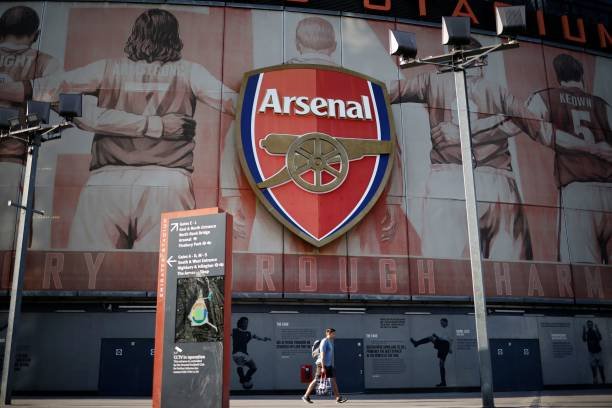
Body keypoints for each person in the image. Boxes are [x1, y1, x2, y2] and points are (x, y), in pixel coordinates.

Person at [0, 8, 234, 251]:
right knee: (167, 270)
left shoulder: (106, 69)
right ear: (174, 37)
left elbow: (46, 89)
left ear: (135, 35)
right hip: (170, 181)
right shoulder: (191, 72)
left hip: (106, 181)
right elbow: (236, 103)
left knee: (87, 267)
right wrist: (157, 125)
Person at [391, 37, 552, 261]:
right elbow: (542, 130)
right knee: (514, 271)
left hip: (447, 180)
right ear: (481, 61)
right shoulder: (497, 91)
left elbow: (386, 91)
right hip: (497, 181)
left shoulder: (431, 81)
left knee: (442, 267)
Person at [526, 53, 612, 264]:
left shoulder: (546, 97)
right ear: (582, 75)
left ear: (558, 77)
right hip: (609, 189)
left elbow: (527, 121)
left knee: (582, 270)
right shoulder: (602, 105)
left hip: (578, 191)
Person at [0, 5, 60, 250]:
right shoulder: (46, 62)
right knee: (10, 239)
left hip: (14, 161)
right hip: (13, 160)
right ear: (36, 34)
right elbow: (52, 94)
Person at [302, 328, 347, 404]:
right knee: (316, 380)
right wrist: (323, 367)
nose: (334, 335)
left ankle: (338, 398)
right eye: (333, 334)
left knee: (333, 381)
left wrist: (329, 365)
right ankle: (306, 396)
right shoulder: (324, 341)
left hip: (328, 365)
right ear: (329, 333)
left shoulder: (329, 342)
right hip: (322, 364)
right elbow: (322, 355)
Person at [410, 318, 453, 387]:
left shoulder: (449, 329)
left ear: (446, 322)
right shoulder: (444, 330)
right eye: (441, 323)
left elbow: (450, 340)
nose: (441, 324)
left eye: (442, 323)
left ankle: (416, 343)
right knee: (441, 364)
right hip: (443, 346)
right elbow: (443, 339)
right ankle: (443, 383)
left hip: (445, 345)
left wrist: (450, 348)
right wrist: (437, 337)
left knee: (431, 338)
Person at [232, 316, 271, 389]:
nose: (246, 325)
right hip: (237, 353)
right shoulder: (234, 331)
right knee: (240, 364)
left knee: (254, 367)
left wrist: (264, 339)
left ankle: (246, 378)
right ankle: (242, 379)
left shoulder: (248, 333)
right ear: (240, 324)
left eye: (247, 323)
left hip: (245, 353)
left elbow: (256, 337)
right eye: (244, 323)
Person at [582, 320, 606, 384]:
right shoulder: (587, 333)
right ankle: (595, 381)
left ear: (592, 325)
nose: (590, 326)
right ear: (587, 325)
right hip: (591, 352)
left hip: (598, 352)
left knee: (601, 368)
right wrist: (583, 330)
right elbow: (584, 339)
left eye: (590, 324)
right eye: (588, 325)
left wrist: (597, 329)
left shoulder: (595, 331)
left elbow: (600, 338)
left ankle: (603, 381)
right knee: (593, 368)